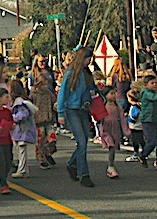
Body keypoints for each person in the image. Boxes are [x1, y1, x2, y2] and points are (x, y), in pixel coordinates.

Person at [57, 47, 98, 187]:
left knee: (84, 140)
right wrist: (61, 112)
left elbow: (93, 88)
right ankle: (84, 174)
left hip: (84, 109)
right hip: (72, 110)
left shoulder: (86, 73)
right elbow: (63, 92)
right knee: (81, 141)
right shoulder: (70, 73)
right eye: (87, 59)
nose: (89, 62)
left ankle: (72, 163)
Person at [99, 86, 130, 178]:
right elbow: (99, 118)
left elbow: (122, 119)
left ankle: (111, 167)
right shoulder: (103, 106)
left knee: (114, 146)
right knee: (111, 146)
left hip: (115, 129)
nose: (114, 95)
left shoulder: (117, 107)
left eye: (114, 93)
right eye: (111, 93)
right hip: (106, 129)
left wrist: (126, 131)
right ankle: (111, 167)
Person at [9, 80, 37, 178]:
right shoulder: (21, 100)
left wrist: (13, 118)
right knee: (21, 150)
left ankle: (22, 170)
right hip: (21, 130)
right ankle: (24, 169)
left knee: (22, 150)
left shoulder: (19, 102)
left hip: (22, 130)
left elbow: (23, 114)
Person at [29, 73, 57, 170]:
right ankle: (41, 159)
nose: (46, 86)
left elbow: (54, 101)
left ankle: (48, 152)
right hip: (38, 120)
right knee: (40, 140)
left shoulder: (48, 93)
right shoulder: (33, 94)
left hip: (49, 119)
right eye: (44, 84)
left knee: (52, 138)